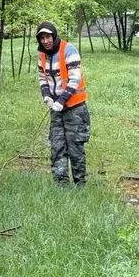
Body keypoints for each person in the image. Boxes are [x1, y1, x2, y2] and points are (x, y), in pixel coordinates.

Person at [36, 21, 91, 187]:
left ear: (54, 35)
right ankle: (61, 185)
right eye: (42, 38)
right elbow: (42, 78)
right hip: (56, 108)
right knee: (57, 145)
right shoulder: (42, 55)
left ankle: (79, 185)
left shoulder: (68, 50)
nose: (46, 41)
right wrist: (47, 96)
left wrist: (62, 100)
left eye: (48, 37)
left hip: (75, 108)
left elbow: (74, 79)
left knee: (75, 147)